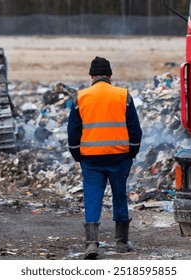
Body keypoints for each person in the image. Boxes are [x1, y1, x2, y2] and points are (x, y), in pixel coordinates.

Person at [67, 56, 143, 259]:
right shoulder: (123, 95)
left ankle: (91, 244)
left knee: (93, 198)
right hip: (119, 158)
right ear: (110, 75)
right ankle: (121, 243)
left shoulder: (80, 97)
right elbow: (135, 129)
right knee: (119, 195)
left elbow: (73, 133)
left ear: (91, 76)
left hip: (91, 160)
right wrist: (132, 152)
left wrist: (78, 155)